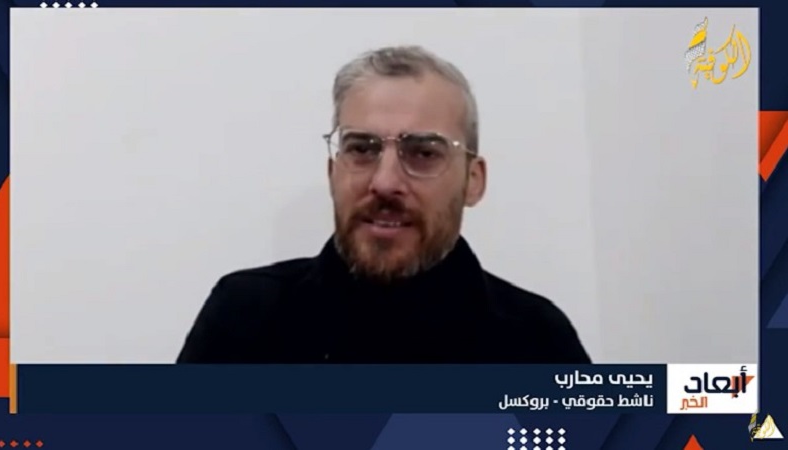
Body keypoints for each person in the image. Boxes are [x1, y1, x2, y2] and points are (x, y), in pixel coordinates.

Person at [177, 45, 591, 364]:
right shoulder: (244, 318)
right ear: (332, 172)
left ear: (473, 181)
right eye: (362, 149)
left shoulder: (537, 340)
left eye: (423, 153)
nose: (385, 182)